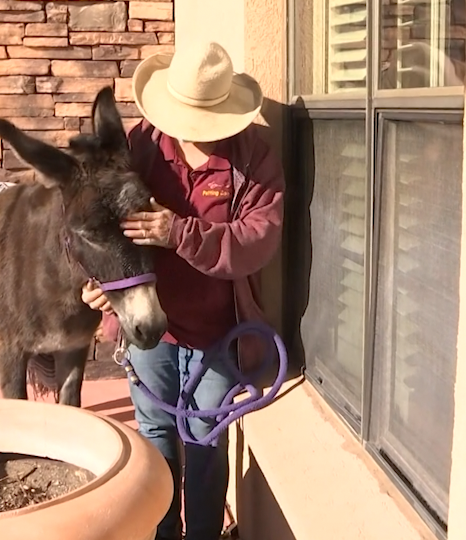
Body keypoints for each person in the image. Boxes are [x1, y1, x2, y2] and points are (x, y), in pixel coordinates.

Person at [80, 41, 285, 540]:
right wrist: (104, 286)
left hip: (219, 331)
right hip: (153, 333)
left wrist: (180, 233)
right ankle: (163, 532)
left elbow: (259, 238)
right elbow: (94, 223)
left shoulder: (253, 156)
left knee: (204, 444)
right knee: (154, 435)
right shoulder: (141, 146)